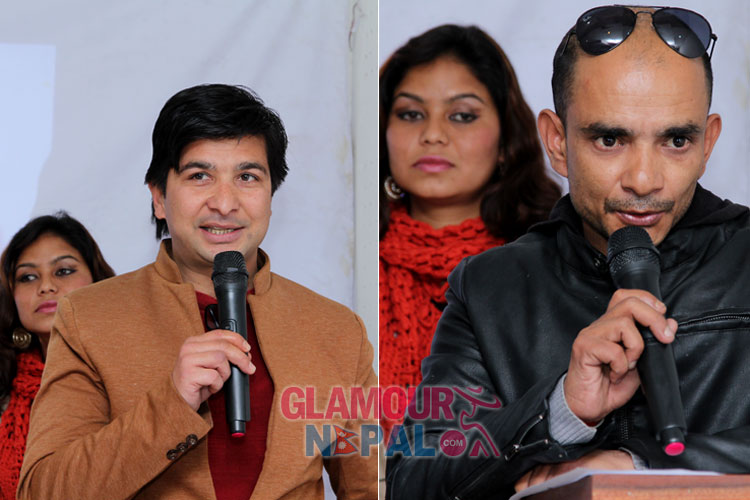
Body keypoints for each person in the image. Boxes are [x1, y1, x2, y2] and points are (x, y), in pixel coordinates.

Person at [386, 5, 750, 499]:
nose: (644, 180)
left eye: (677, 140)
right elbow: (413, 477)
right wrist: (559, 410)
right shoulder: (488, 287)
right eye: (609, 139)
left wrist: (635, 464)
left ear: (708, 143)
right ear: (556, 142)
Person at [18, 84, 377, 499]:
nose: (224, 203)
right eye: (199, 176)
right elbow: (43, 491)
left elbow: (371, 486)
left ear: (271, 197)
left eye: (247, 177)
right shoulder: (88, 318)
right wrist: (171, 403)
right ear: (158, 197)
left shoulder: (336, 330)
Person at [378, 25, 561, 435]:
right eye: (410, 114)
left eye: (462, 115)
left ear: (505, 140)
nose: (433, 135)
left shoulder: (555, 261)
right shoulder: (350, 263)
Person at [0, 212, 114, 498]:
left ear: (97, 279)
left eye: (63, 271)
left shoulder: (131, 370)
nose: (46, 286)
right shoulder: (4, 388)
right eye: (28, 277)